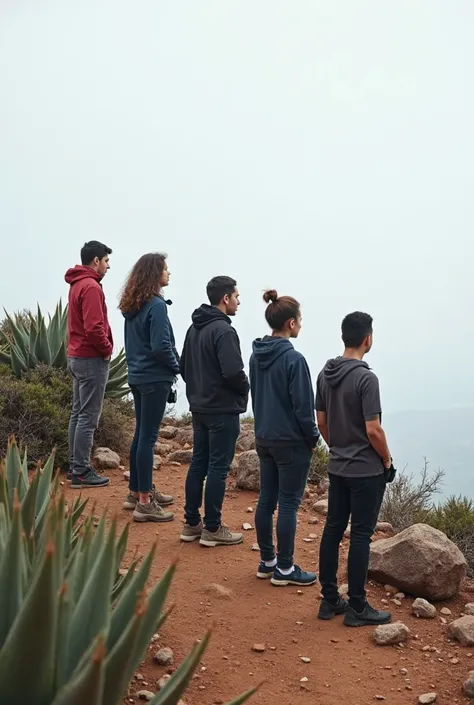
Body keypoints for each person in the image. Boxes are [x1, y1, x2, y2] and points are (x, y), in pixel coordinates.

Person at [316, 311, 394, 626]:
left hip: (337, 467)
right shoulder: (366, 378)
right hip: (365, 471)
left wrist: (339, 448)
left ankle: (329, 600)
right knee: (361, 535)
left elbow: (321, 422)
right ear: (367, 339)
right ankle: (358, 607)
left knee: (333, 529)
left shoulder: (326, 373)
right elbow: (373, 429)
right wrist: (387, 461)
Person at [250, 290, 320, 587]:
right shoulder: (294, 359)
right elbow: (303, 407)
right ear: (290, 323)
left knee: (267, 498)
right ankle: (287, 569)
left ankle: (268, 562)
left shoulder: (256, 354)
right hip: (290, 441)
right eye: (300, 320)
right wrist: (313, 436)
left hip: (264, 436)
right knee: (289, 503)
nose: (301, 325)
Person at [179, 275, 249, 546]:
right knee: (218, 468)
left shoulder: (193, 328)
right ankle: (212, 528)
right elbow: (233, 372)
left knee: (199, 463)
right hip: (222, 409)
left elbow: (184, 366)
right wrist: (245, 387)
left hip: (199, 408)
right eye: (236, 296)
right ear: (225, 298)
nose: (238, 301)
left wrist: (199, 390)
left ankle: (191, 524)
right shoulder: (224, 331)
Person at [119, 253, 178, 523]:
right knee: (148, 438)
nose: (169, 273)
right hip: (155, 379)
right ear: (155, 274)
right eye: (166, 269)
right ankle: (144, 502)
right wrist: (178, 366)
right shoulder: (156, 306)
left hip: (138, 376)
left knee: (140, 435)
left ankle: (136, 492)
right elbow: (160, 346)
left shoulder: (133, 305)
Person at [66, 241, 113, 488]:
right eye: (106, 261)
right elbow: (94, 327)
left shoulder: (76, 284)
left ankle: (74, 465)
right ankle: (82, 472)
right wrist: (106, 350)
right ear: (96, 261)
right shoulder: (91, 287)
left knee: (77, 413)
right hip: (90, 358)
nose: (108, 266)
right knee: (88, 417)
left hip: (75, 356)